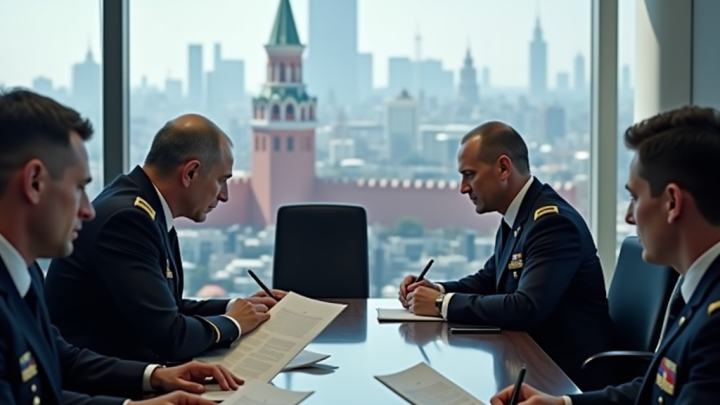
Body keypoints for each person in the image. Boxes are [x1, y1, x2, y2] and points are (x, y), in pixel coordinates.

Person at [0, 88, 238, 404]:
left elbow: (63, 362)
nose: (88, 210)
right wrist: (233, 322)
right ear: (34, 183)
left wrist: (154, 378)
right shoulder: (128, 216)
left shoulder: (25, 272)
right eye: (79, 187)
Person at [490, 106, 720, 405]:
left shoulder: (714, 323)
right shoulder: (698, 291)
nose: (628, 216)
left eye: (635, 197)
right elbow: (658, 388)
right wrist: (562, 404)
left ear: (672, 203)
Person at [44, 113, 285, 365]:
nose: (224, 195)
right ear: (191, 172)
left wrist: (236, 307)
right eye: (221, 180)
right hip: (99, 381)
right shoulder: (127, 220)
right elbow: (171, 336)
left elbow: (168, 307)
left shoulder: (143, 207)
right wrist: (233, 323)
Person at [398, 121, 613, 387]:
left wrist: (440, 303)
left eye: (469, 175)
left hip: (567, 376)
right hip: (532, 363)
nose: (463, 188)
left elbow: (526, 308)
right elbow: (489, 280)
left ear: (503, 168)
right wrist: (435, 289)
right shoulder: (519, 216)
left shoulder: (552, 223)